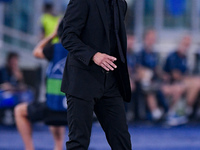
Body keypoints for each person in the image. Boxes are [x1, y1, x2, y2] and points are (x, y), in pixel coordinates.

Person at [61, 0, 132, 149]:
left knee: (122, 141)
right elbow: (67, 36)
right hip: (82, 80)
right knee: (78, 142)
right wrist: (93, 55)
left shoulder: (121, 3)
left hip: (111, 81)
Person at [14, 22, 68, 150]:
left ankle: (29, 148)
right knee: (57, 104)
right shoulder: (82, 51)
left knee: (19, 111)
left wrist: (51, 36)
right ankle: (58, 146)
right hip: (75, 113)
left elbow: (36, 52)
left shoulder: (55, 49)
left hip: (52, 111)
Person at [137, 30, 168, 121]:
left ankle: (167, 111)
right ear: (144, 39)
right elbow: (138, 68)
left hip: (154, 80)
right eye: (149, 38)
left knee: (170, 88)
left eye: (153, 39)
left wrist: (164, 76)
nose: (151, 41)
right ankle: (155, 113)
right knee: (147, 77)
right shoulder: (140, 53)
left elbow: (157, 69)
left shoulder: (155, 54)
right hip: (142, 80)